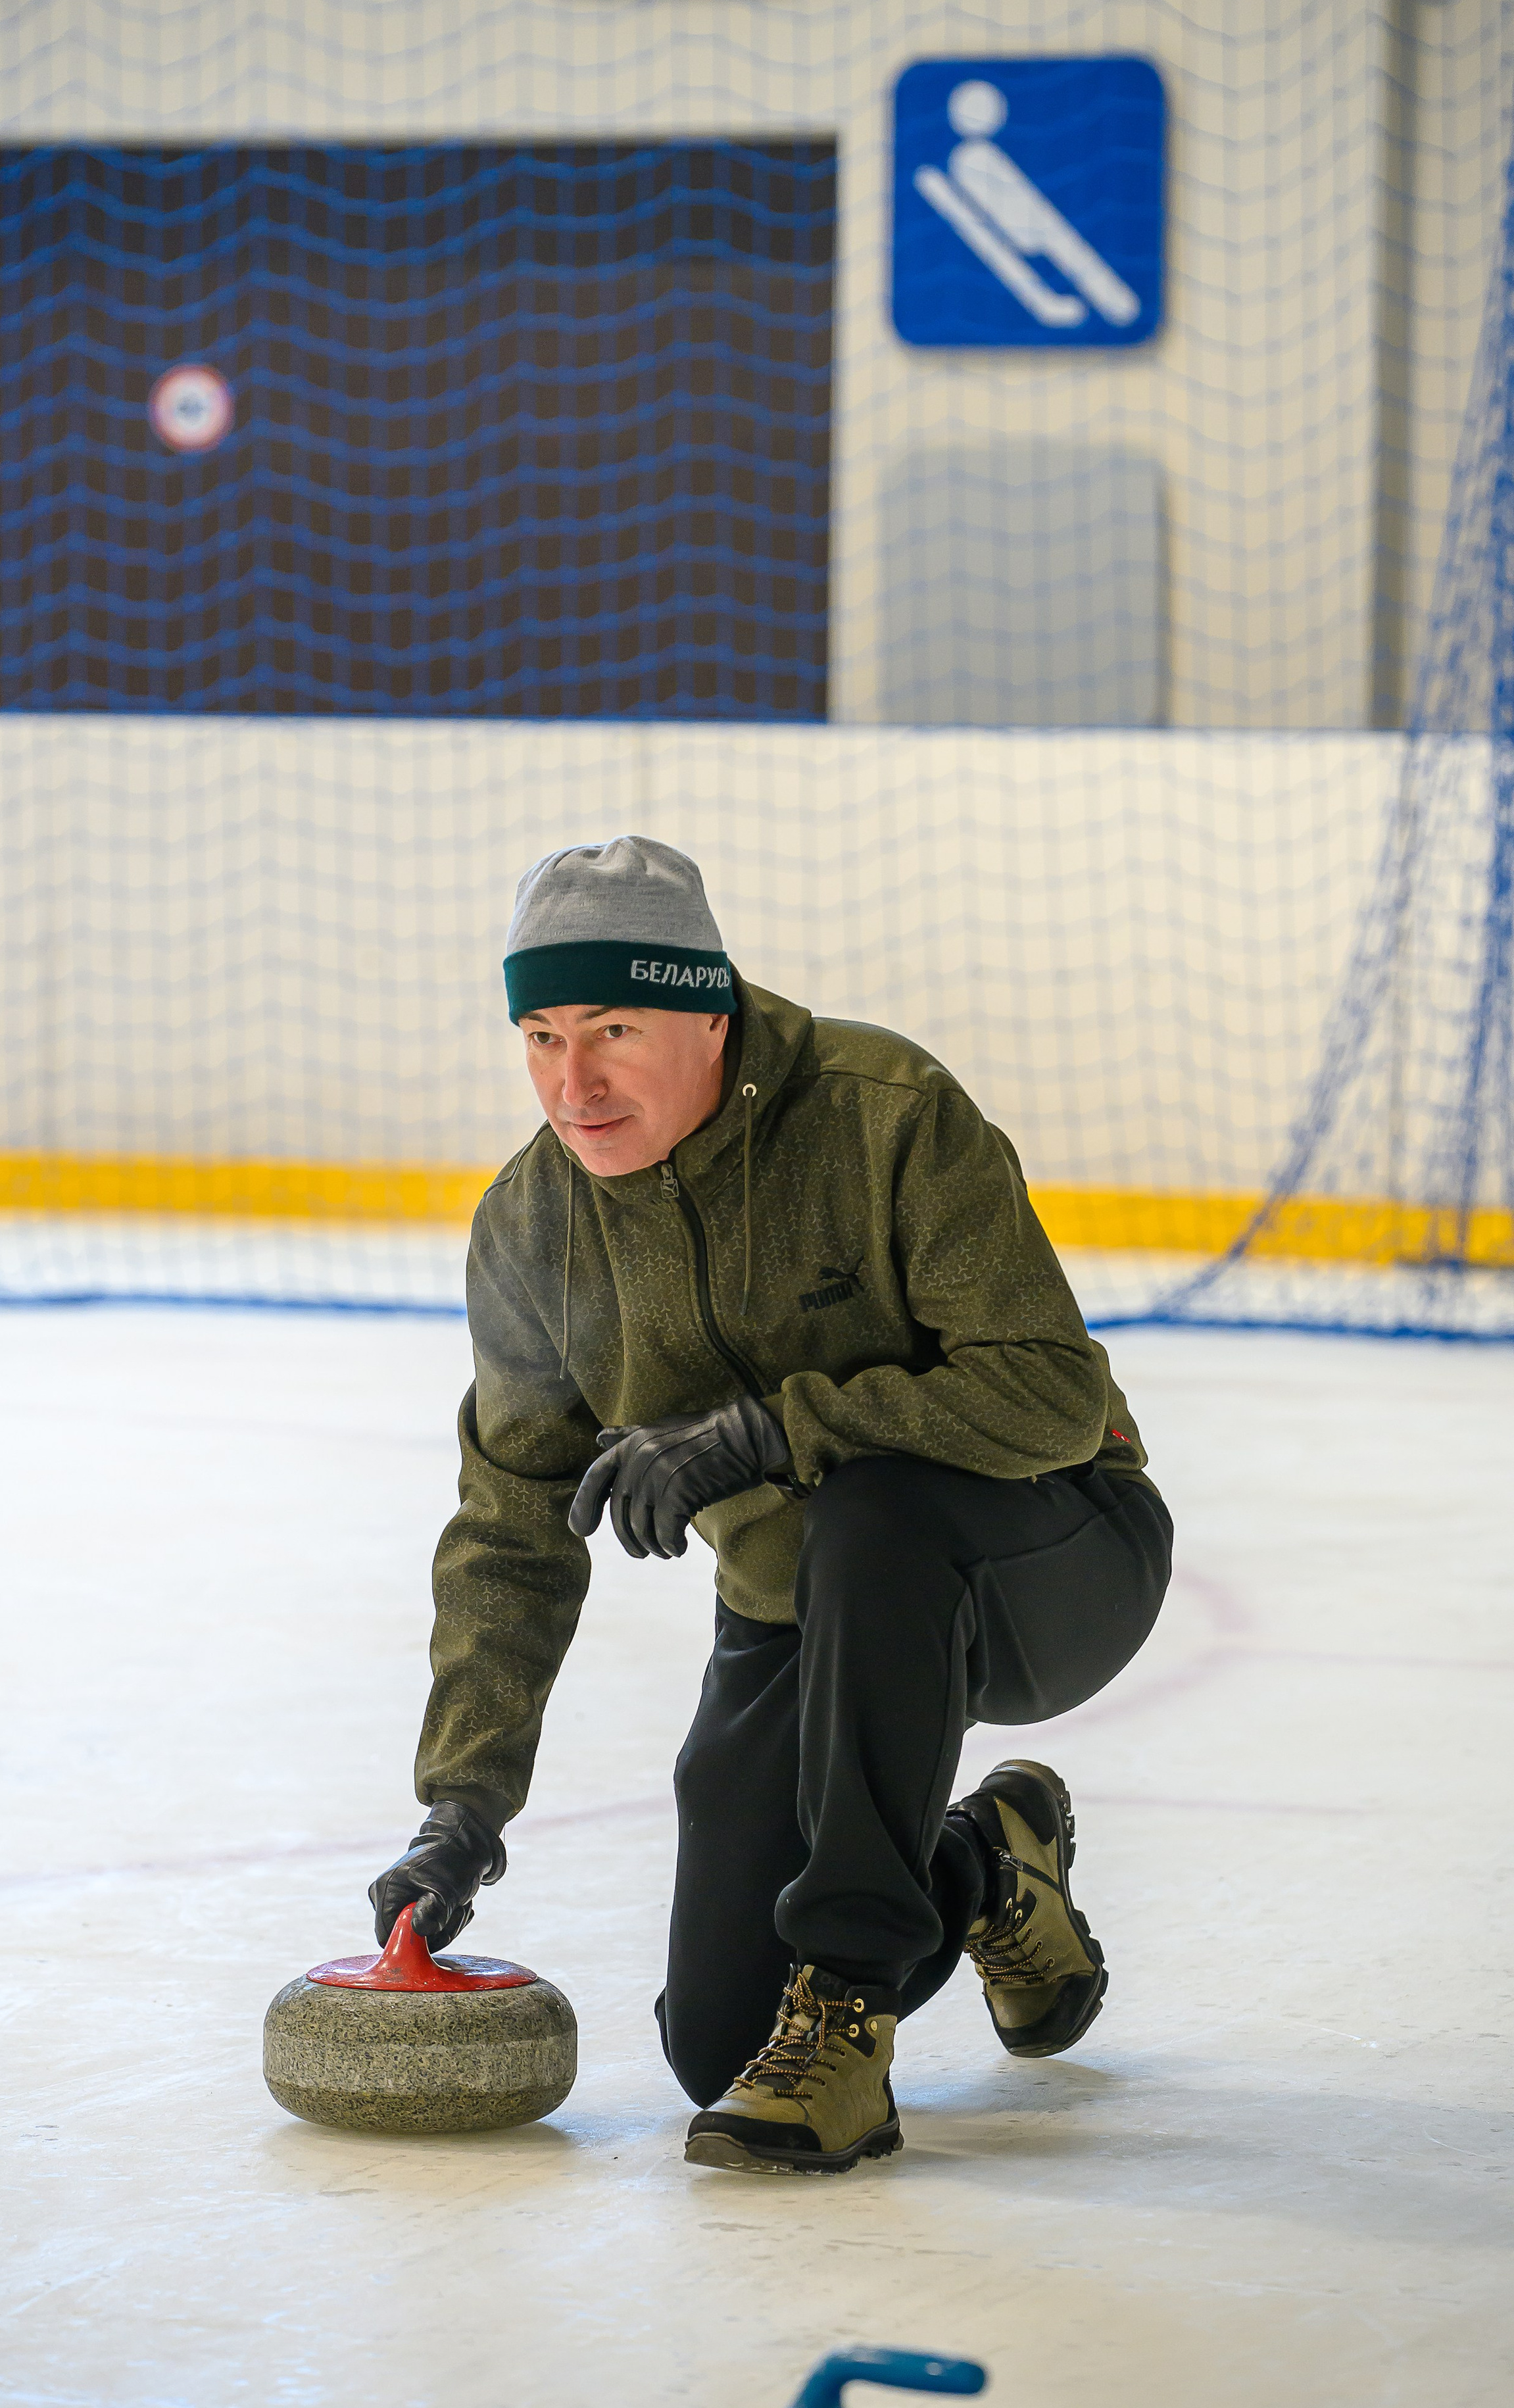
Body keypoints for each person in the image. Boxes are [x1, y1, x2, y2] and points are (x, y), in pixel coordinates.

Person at [368, 837, 1172, 2176]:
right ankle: (987, 1865)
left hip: (1046, 1557)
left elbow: (1043, 1392)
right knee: (719, 2040)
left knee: (871, 1514)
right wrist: (462, 1806)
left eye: (613, 1028)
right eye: (541, 1035)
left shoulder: (882, 1111)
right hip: (800, 1609)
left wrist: (771, 1430)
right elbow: (510, 1528)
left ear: (707, 1009)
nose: (575, 1082)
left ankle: (849, 2006)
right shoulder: (532, 1226)